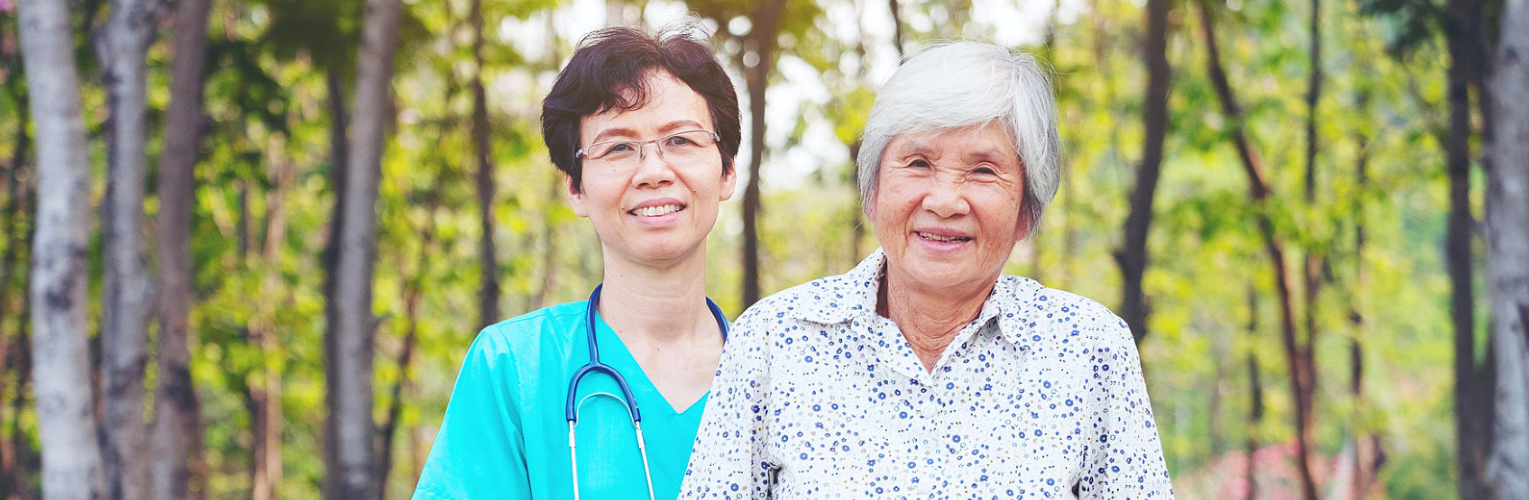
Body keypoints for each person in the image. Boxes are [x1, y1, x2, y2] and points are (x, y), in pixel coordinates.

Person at [678, 42, 1173, 498]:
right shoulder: (774, 339)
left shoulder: (1088, 348)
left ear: (1026, 209)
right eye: (918, 163)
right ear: (872, 191)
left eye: (983, 170)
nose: (944, 201)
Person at [415, 25, 740, 500]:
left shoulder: (784, 373)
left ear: (727, 170)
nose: (653, 172)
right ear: (575, 186)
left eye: (681, 141)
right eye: (618, 147)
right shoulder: (513, 366)